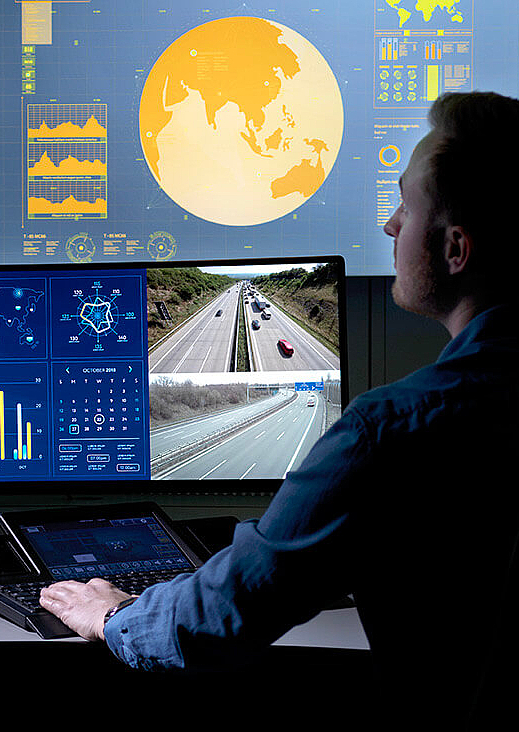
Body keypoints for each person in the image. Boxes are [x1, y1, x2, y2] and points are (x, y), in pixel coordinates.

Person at [40, 91, 519, 728]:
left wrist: (110, 614)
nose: (391, 226)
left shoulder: (391, 433)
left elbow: (225, 615)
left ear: (456, 248)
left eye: (406, 204)